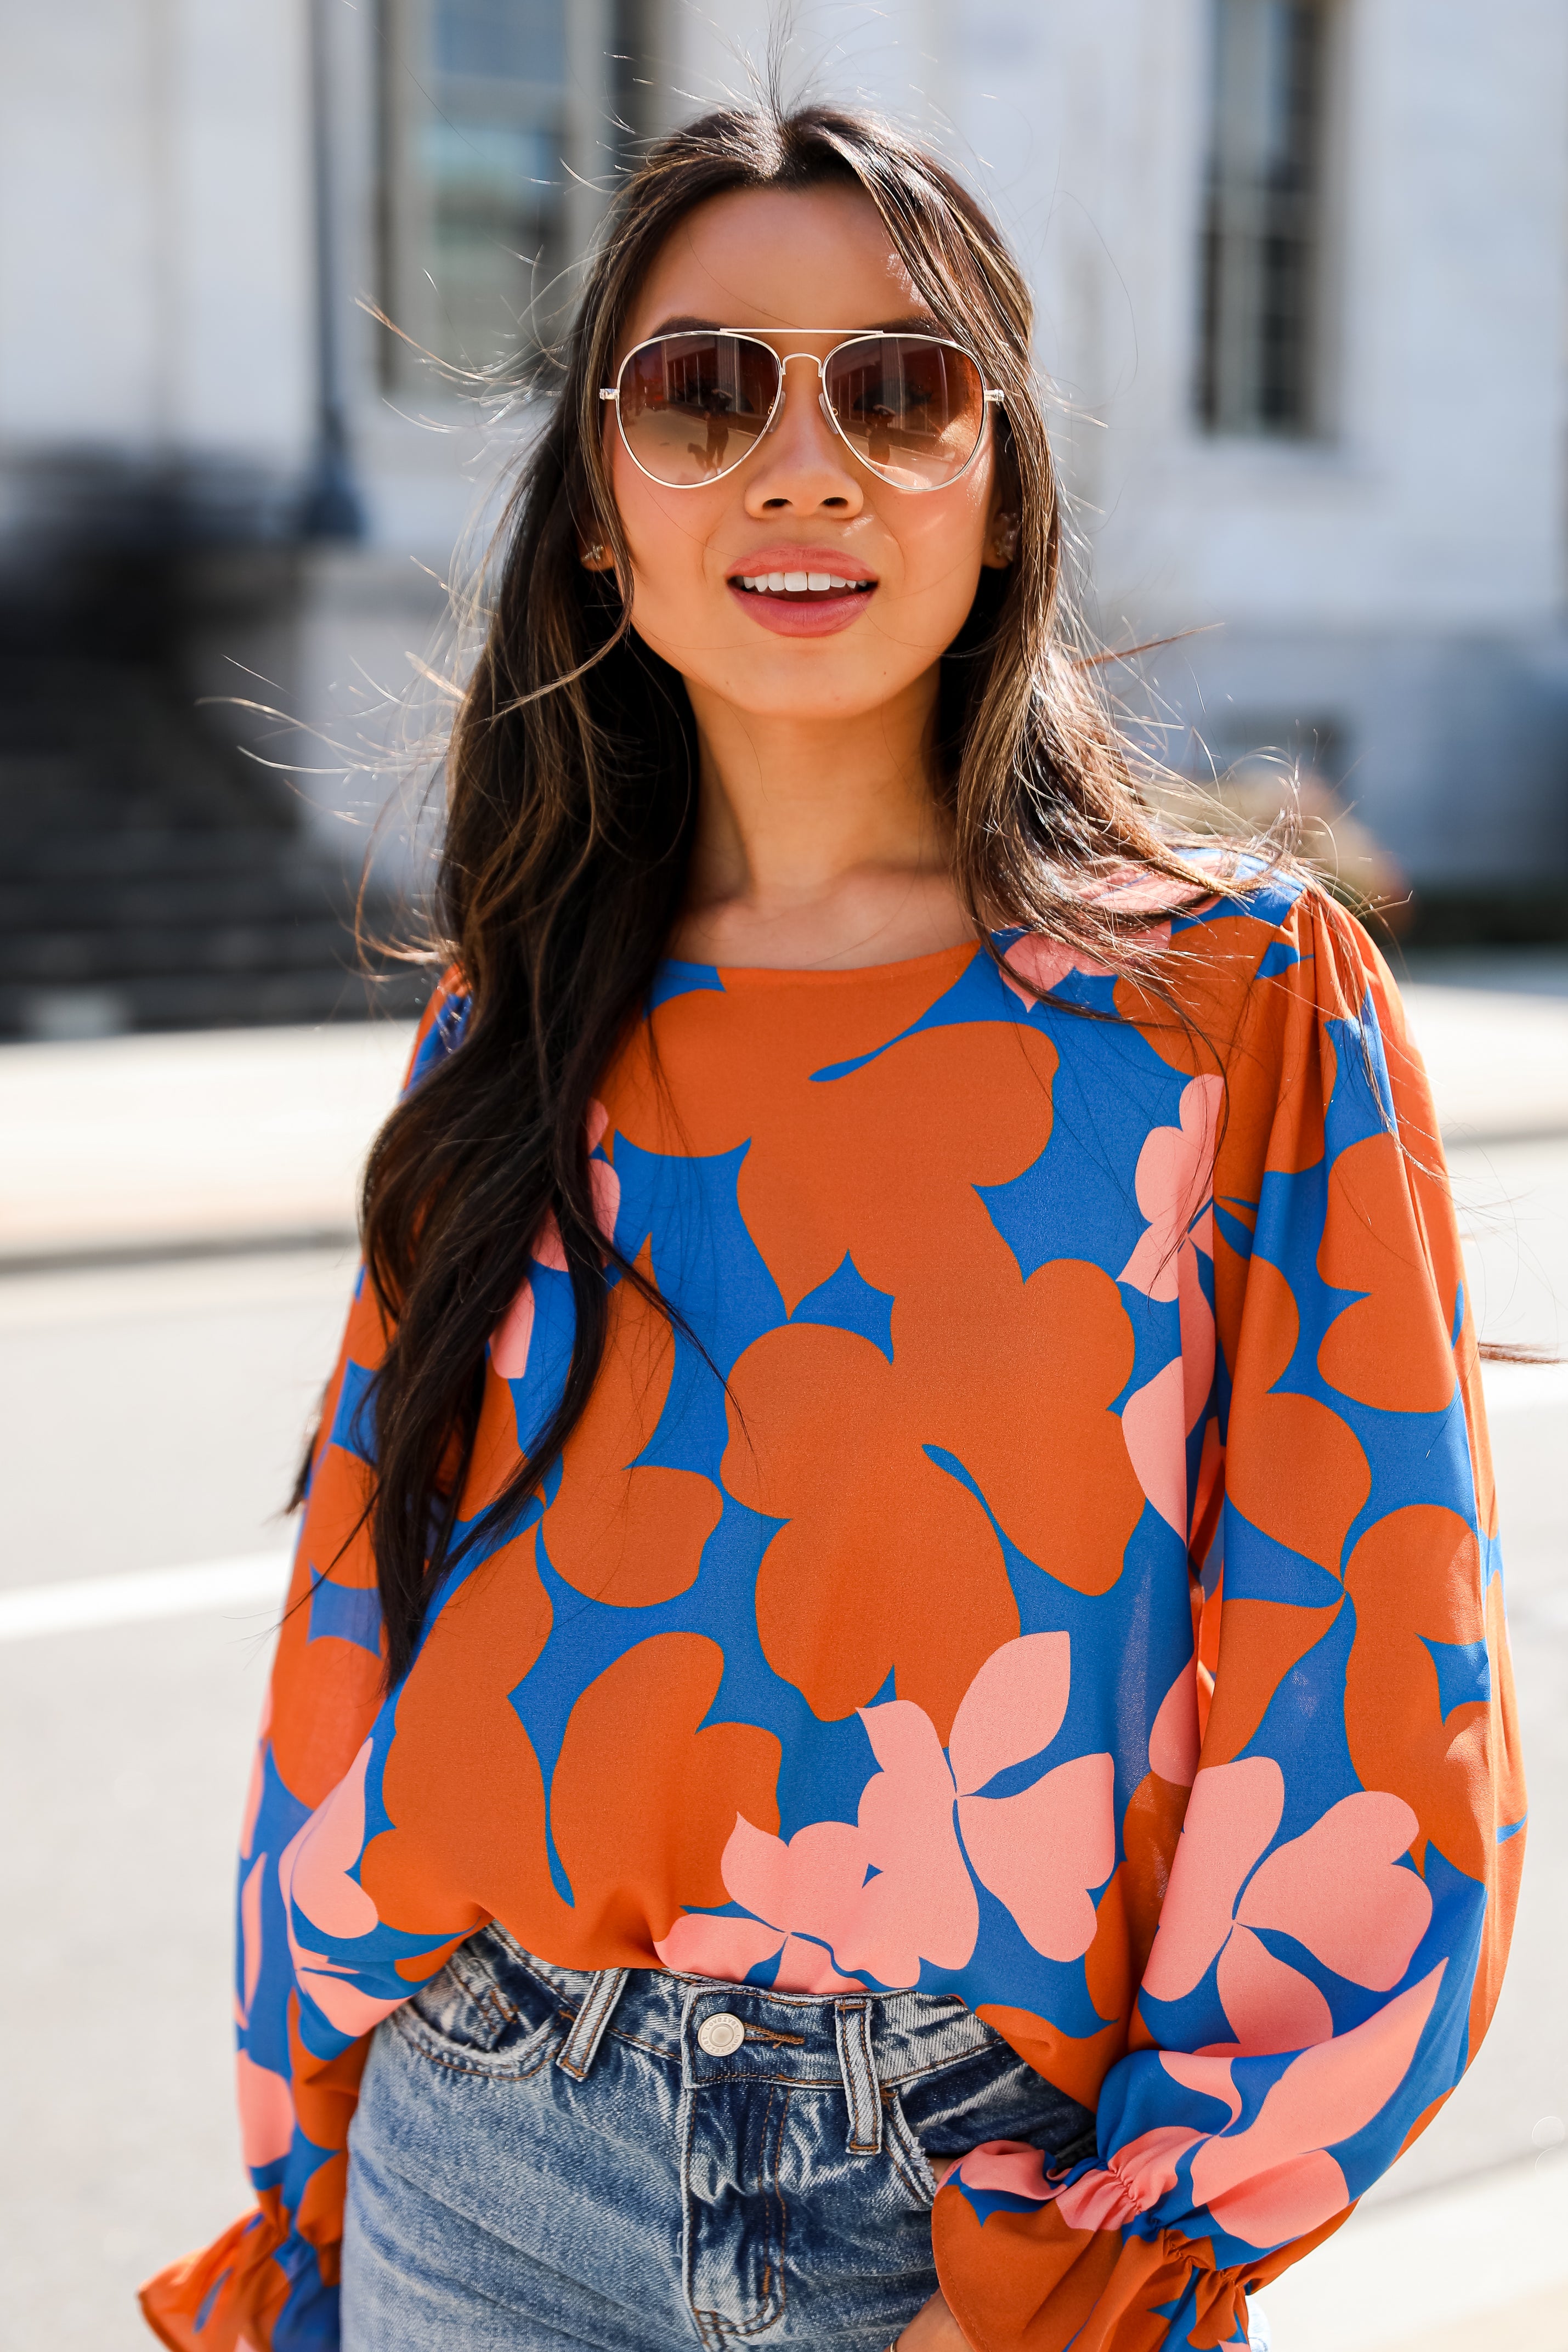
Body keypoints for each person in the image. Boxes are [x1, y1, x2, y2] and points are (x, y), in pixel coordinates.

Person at [141, 100, 1524, 2352]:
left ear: (997, 500)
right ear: (600, 518)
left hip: (981, 2208)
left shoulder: (1234, 1008)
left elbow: (1370, 1685)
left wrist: (1098, 2264)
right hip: (479, 2174)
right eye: (704, 391)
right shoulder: (517, 1018)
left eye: (898, 391)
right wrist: (310, 2192)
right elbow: (347, 1660)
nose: (805, 466)